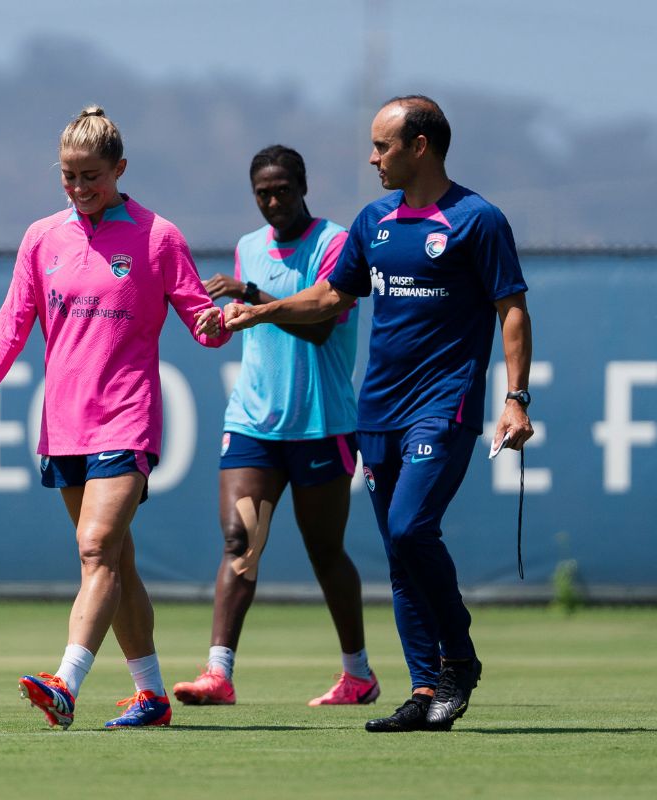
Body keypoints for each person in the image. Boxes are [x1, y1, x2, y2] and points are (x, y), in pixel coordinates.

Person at [223, 95, 533, 732]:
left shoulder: (478, 220)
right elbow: (332, 293)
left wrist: (515, 398)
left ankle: (459, 661)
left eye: (382, 146)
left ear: (419, 146)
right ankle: (424, 691)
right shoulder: (374, 221)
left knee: (412, 527)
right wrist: (264, 310)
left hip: (442, 406)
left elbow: (512, 310)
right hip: (379, 411)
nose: (372, 158)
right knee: (398, 549)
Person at [0, 106, 229, 730]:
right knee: (116, 562)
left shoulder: (159, 236)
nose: (81, 189)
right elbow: (12, 323)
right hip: (64, 425)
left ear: (121, 169)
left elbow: (202, 324)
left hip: (127, 417)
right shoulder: (41, 237)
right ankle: (152, 695)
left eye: (93, 177)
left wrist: (216, 323)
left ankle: (66, 681)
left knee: (96, 548)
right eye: (70, 177)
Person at [171, 145, 379, 707]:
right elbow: (251, 325)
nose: (273, 201)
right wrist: (226, 316)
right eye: (262, 192)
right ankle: (218, 673)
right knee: (241, 541)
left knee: (325, 552)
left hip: (321, 424)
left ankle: (357, 674)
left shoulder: (335, 242)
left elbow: (318, 323)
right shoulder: (247, 248)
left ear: (303, 184)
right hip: (254, 424)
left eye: (283, 189)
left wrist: (252, 298)